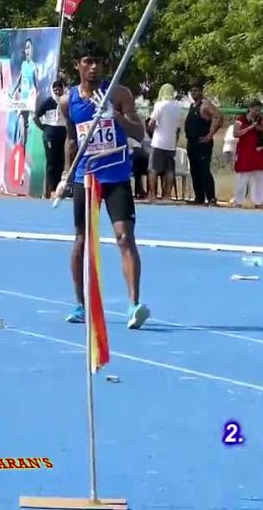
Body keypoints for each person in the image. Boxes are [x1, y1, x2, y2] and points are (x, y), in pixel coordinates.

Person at [58, 39, 150, 329]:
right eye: (88, 61)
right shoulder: (67, 101)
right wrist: (64, 177)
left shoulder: (119, 94)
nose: (94, 67)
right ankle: (80, 304)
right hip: (86, 177)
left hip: (117, 175)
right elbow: (72, 140)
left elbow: (139, 133)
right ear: (78, 65)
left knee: (125, 237)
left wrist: (116, 116)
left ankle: (134, 305)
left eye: (98, 61)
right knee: (83, 241)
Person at [183, 82, 222, 205]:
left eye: (196, 90)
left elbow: (219, 117)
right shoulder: (192, 106)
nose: (194, 93)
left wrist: (210, 135)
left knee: (204, 170)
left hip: (202, 143)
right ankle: (199, 198)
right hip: (192, 143)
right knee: (194, 170)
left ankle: (211, 198)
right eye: (192, 91)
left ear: (201, 92)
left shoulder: (205, 105)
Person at [232, 99, 263, 208]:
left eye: (259, 110)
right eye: (255, 110)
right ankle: (239, 201)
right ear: (250, 109)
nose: (257, 112)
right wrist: (250, 128)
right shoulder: (240, 120)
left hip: (260, 153)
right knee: (242, 179)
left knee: (260, 178)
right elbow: (236, 134)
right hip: (245, 153)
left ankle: (258, 202)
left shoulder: (262, 120)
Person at [147, 83, 185, 200]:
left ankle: (153, 194)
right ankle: (167, 194)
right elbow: (178, 129)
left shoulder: (160, 105)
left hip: (158, 142)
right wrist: (174, 143)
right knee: (169, 170)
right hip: (170, 143)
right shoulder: (177, 107)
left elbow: (152, 123)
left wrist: (150, 129)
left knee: (153, 169)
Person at [35, 79, 67, 198]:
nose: (57, 91)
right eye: (55, 90)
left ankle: (58, 190)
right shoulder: (48, 102)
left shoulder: (66, 102)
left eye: (59, 89)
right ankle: (50, 190)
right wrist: (44, 128)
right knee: (51, 163)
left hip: (63, 133)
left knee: (60, 162)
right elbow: (35, 116)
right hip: (50, 133)